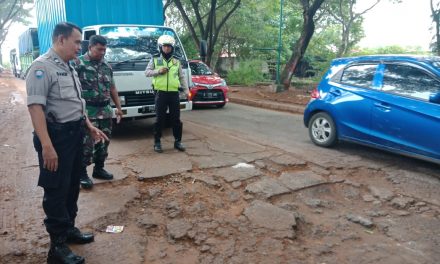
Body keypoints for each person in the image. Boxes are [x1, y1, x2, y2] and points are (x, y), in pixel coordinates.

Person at [26, 22, 108, 264]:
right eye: (76, 41)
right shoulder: (41, 67)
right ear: (61, 40)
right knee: (56, 191)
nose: (79, 46)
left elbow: (74, 104)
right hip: (56, 138)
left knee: (72, 186)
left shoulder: (69, 67)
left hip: (74, 134)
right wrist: (47, 146)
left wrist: (89, 126)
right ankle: (57, 247)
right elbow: (35, 107)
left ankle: (69, 229)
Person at [74, 35, 123, 189]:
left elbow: (113, 88)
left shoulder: (106, 66)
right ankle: (82, 173)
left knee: (105, 141)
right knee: (87, 143)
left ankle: (99, 169)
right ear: (90, 47)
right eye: (99, 49)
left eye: (104, 50)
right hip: (88, 111)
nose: (102, 52)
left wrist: (119, 108)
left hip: (105, 110)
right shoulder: (78, 64)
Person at [145, 35, 189, 153]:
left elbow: (181, 76)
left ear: (172, 48)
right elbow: (147, 72)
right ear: (160, 47)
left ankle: (178, 141)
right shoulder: (155, 59)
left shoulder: (176, 61)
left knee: (176, 119)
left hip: (174, 94)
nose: (166, 49)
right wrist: (158, 71)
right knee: (160, 119)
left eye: (169, 46)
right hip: (161, 94)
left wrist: (186, 91)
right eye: (164, 46)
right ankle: (157, 142)